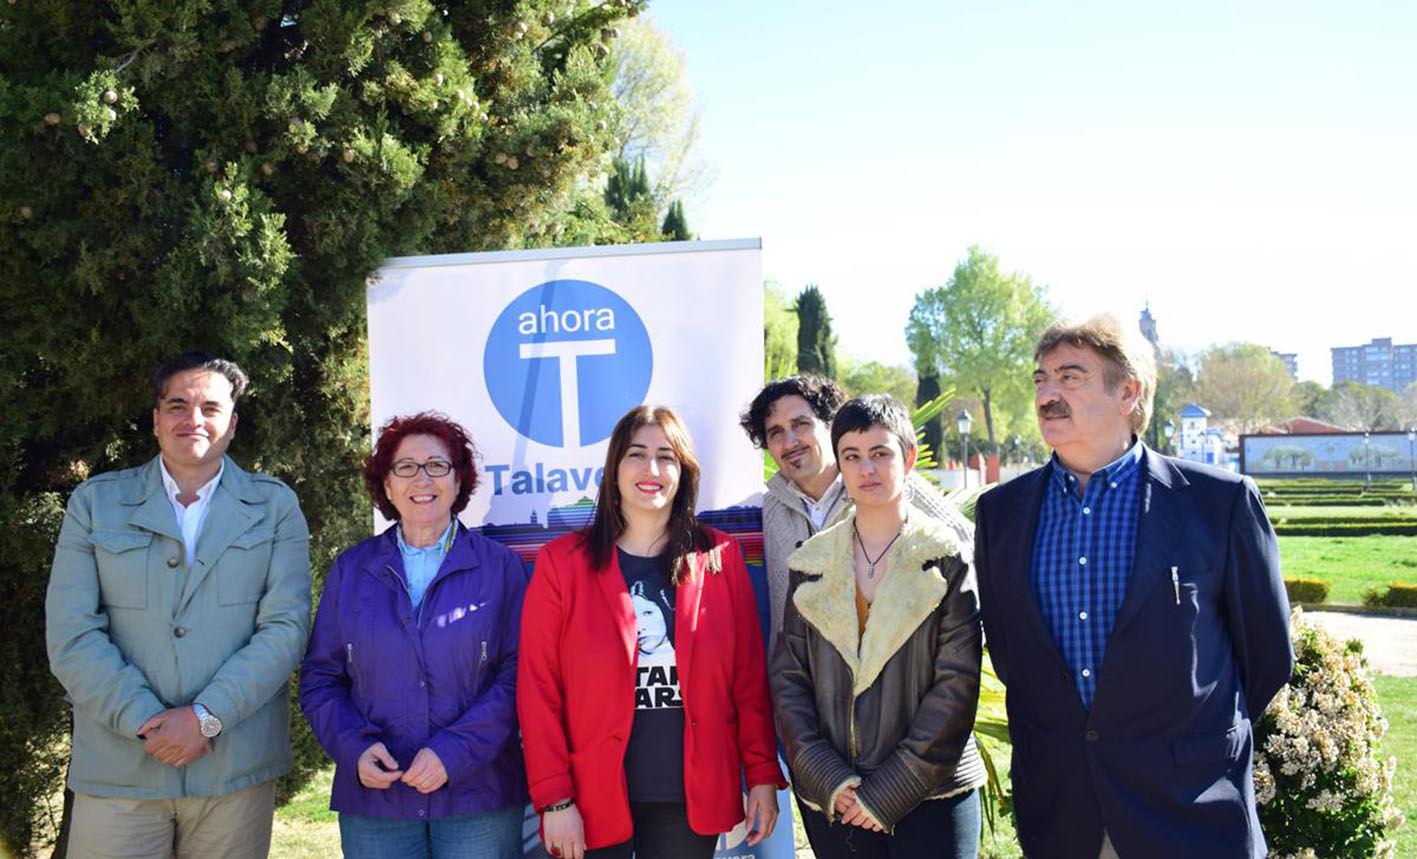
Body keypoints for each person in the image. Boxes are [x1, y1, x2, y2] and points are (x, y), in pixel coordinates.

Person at [974, 315, 1293, 859]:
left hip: (1192, 813)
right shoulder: (1001, 513)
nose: (1047, 393)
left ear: (1128, 392)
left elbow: (1266, 656)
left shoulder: (1218, 503)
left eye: (1069, 377)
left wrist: (1185, 744)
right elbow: (1011, 651)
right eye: (1040, 379)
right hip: (1063, 813)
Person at [46, 352, 311, 858]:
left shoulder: (275, 507)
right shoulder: (95, 504)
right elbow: (72, 633)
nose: (193, 419)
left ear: (232, 424)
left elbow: (285, 628)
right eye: (177, 405)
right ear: (155, 420)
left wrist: (207, 718)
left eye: (211, 408)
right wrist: (148, 721)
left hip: (233, 771)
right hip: (119, 769)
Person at [518, 405, 786, 859]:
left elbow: (748, 684)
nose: (652, 469)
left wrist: (761, 775)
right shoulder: (561, 564)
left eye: (667, 457)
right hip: (591, 798)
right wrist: (555, 798)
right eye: (636, 454)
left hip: (690, 800)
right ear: (614, 470)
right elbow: (537, 690)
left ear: (683, 472)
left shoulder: (721, 558)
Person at [300, 412, 529, 858]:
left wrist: (454, 753)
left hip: (476, 796)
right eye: (405, 467)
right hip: (377, 800)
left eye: (437, 466)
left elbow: (521, 675)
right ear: (386, 486)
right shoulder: (351, 569)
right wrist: (354, 749)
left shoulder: (501, 568)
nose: (421, 479)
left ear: (458, 481)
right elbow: (321, 678)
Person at [772, 394, 986, 859]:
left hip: (934, 793)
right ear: (840, 466)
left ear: (907, 459)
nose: (866, 469)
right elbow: (789, 679)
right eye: (852, 456)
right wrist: (827, 776)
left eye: (880, 454)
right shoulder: (809, 564)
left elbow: (956, 686)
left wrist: (888, 790)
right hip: (838, 800)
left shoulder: (946, 557)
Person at [739, 375, 972, 652]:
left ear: (830, 425)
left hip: (896, 682)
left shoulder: (888, 485)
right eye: (775, 432)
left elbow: (968, 543)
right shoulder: (770, 509)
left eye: (800, 424)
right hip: (801, 686)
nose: (790, 441)